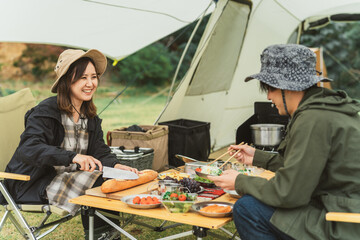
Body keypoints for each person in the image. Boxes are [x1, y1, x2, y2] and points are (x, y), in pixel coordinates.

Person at [208, 44, 360, 240]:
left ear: (286, 87)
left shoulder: (313, 119)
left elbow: (288, 193)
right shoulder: (326, 109)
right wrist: (258, 158)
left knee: (247, 209)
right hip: (342, 206)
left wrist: (239, 181)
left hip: (343, 222)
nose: (268, 97)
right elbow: (305, 167)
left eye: (270, 88)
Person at [3, 48, 138, 239]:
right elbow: (29, 149)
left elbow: (99, 151)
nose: (90, 83)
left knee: (114, 179)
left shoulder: (89, 115)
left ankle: (107, 234)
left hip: (68, 177)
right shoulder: (45, 112)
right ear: (67, 80)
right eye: (83, 78)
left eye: (94, 77)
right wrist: (73, 157)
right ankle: (102, 236)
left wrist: (116, 165)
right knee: (98, 183)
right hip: (34, 183)